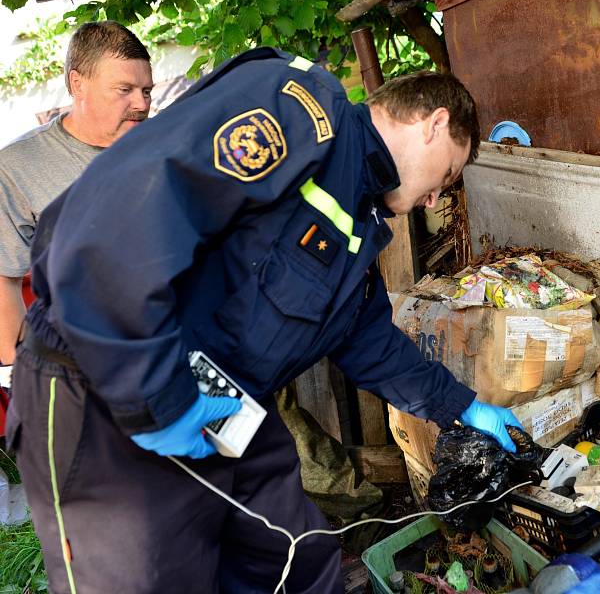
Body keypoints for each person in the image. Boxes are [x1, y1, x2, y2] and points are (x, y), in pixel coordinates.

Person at [6, 48, 522, 594]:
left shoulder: (359, 214)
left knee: (298, 561)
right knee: (154, 578)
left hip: (221, 400)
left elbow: (366, 338)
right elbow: (115, 233)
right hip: (108, 390)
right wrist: (162, 397)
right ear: (434, 124)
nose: (435, 197)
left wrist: (460, 406)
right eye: (448, 173)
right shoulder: (299, 109)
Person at [0, 20, 153, 368]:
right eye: (124, 89)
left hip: (173, 341)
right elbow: (3, 283)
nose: (141, 104)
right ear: (77, 84)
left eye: (146, 91)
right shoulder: (16, 167)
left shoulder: (161, 145)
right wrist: (22, 369)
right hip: (85, 365)